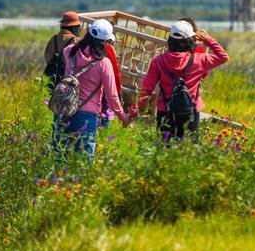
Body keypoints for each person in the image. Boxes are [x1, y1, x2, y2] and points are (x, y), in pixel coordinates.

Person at [134, 20, 229, 141]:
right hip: (191, 112)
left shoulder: (158, 61)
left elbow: (146, 90)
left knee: (164, 150)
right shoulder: (199, 60)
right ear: (190, 41)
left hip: (165, 112)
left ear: (170, 40)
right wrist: (207, 39)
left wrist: (140, 109)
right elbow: (223, 57)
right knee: (188, 151)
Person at [51, 19, 129, 159]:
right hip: (86, 117)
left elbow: (68, 50)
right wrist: (123, 117)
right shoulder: (104, 64)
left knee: (58, 157)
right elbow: (112, 96)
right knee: (83, 162)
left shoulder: (69, 51)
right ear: (105, 42)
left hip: (63, 109)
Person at [43, 11, 82, 89]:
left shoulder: (53, 39)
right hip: (67, 82)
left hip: (51, 79)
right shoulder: (75, 40)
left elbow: (47, 56)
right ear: (74, 28)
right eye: (78, 26)